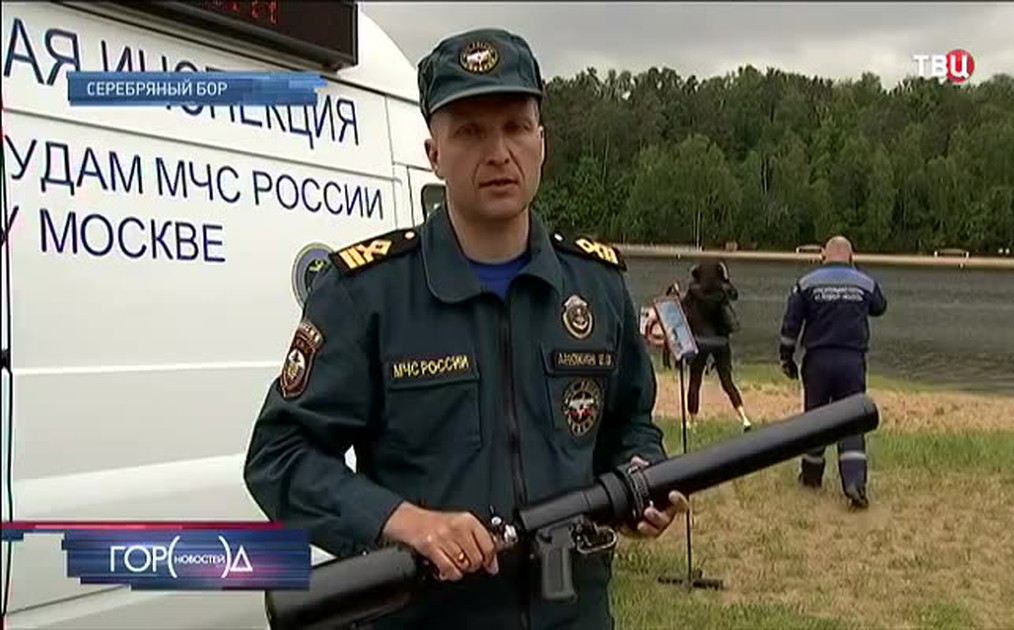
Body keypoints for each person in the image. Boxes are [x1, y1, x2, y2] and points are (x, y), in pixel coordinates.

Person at [242, 27, 688, 629]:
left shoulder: (596, 285)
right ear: (434, 154)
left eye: (515, 127)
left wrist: (639, 477)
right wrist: (403, 521)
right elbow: (280, 455)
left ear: (541, 143)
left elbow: (629, 421)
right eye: (470, 132)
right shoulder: (365, 294)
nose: (498, 152)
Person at [778, 235, 887, 509]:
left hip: (817, 360)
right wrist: (856, 272)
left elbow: (791, 323)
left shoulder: (806, 283)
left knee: (815, 418)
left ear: (822, 256)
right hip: (852, 360)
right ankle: (854, 484)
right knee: (852, 420)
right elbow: (879, 307)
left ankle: (811, 477)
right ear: (851, 256)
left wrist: (786, 357)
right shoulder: (864, 282)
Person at [680, 260, 752, 431]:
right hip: (721, 342)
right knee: (727, 381)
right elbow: (734, 293)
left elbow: (683, 306)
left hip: (700, 341)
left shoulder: (693, 291)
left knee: (695, 381)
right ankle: (744, 418)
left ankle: (692, 421)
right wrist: (724, 279)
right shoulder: (722, 292)